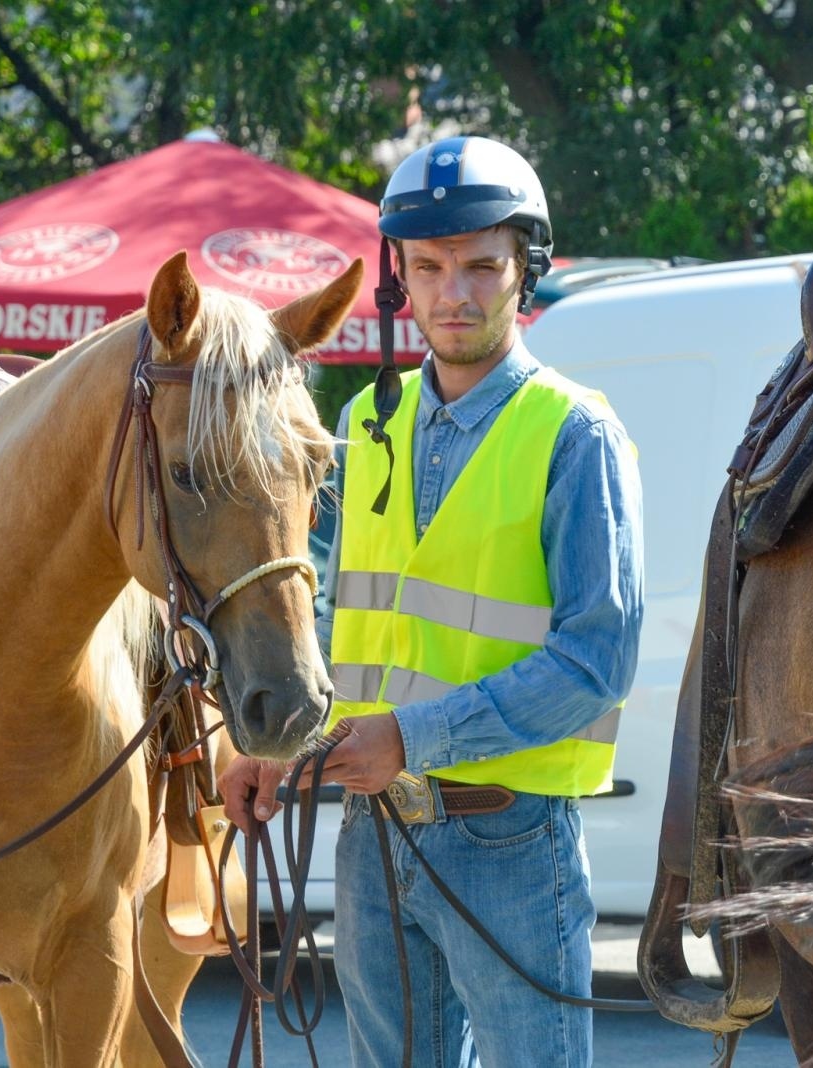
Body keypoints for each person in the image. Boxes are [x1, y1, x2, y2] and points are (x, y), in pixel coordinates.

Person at [219, 134, 644, 1068]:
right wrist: (272, 750)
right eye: (433, 267)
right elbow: (333, 629)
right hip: (372, 838)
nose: (458, 293)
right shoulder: (363, 426)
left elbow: (596, 662)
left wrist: (411, 739)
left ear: (524, 273)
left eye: (484, 267)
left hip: (510, 841)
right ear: (398, 278)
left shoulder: (577, 435)